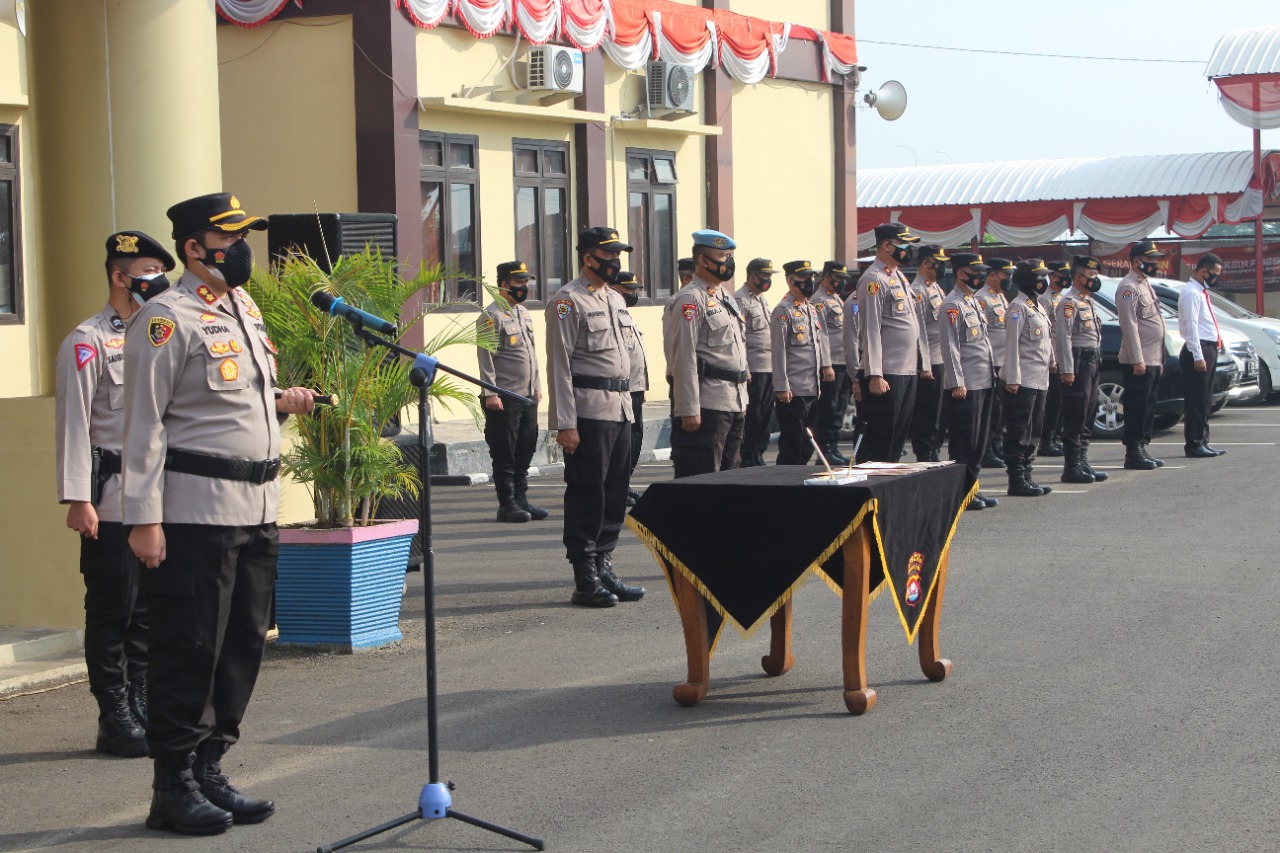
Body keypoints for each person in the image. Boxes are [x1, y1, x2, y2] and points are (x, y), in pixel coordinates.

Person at [123, 193, 317, 835]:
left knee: (241, 647)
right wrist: (143, 518)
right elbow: (143, 423)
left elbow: (237, 400)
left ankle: (209, 766)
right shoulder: (165, 318)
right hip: (194, 513)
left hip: (256, 508)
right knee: (190, 649)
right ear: (193, 248)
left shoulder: (243, 308)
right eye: (229, 238)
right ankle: (171, 785)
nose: (241, 249)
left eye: (242, 237)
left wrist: (281, 401)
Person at [55, 231, 174, 759]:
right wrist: (77, 497)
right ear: (119, 276)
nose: (158, 280)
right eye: (148, 271)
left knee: (148, 613)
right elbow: (73, 423)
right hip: (110, 499)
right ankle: (114, 716)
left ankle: (140, 702)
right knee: (112, 612)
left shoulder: (158, 335)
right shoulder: (88, 341)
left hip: (156, 496)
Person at [545, 226, 645, 608]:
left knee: (616, 491)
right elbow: (559, 365)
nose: (615, 262)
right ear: (588, 258)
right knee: (588, 493)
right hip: (588, 411)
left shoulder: (614, 299)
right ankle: (584, 576)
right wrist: (565, 423)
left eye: (618, 256)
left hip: (620, 408)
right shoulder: (567, 301)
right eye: (608, 256)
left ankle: (604, 566)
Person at [663, 229, 749, 478]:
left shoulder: (725, 296)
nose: (728, 262)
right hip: (707, 403)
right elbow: (683, 356)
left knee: (731, 477)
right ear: (703, 260)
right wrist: (689, 408)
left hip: (732, 400)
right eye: (722, 257)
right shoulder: (690, 299)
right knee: (703, 478)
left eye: (730, 256)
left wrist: (742, 398)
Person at [855, 222, 930, 463]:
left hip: (905, 370)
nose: (909, 249)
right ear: (887, 246)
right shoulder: (873, 279)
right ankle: (870, 486)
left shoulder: (897, 276)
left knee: (896, 440)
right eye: (904, 244)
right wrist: (875, 374)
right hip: (886, 372)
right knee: (880, 441)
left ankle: (888, 485)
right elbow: (871, 329)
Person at [477, 261, 545, 523]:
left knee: (526, 447)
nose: (524, 287)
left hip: (527, 396)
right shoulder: (491, 315)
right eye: (519, 282)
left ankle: (521, 499)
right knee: (505, 451)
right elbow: (486, 357)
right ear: (504, 284)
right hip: (504, 396)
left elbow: (531, 355)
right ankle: (507, 504)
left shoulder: (524, 313)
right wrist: (490, 393)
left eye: (526, 282)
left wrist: (537, 385)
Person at [939, 253, 998, 510]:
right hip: (966, 384)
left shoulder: (972, 302)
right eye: (975, 272)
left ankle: (972, 488)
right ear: (961, 274)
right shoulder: (951, 305)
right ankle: (960, 493)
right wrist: (956, 382)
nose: (980, 277)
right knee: (964, 441)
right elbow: (950, 347)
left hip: (983, 381)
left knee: (979, 442)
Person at [771, 261, 834, 464]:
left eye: (812, 277)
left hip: (811, 387)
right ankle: (786, 481)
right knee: (792, 445)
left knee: (807, 445)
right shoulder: (783, 310)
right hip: (793, 390)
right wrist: (781, 386)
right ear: (791, 281)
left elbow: (817, 344)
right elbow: (778, 350)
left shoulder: (810, 308)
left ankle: (800, 479)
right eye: (805, 278)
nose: (810, 281)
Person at [1053, 255, 1109, 485]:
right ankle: (1072, 465)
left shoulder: (1087, 300)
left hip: (1091, 361)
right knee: (1076, 412)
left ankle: (1082, 459)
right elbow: (1063, 337)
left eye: (1096, 274)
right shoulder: (1069, 302)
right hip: (1078, 362)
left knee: (1088, 410)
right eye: (1091, 275)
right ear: (1078, 277)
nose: (1095, 279)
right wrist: (1067, 369)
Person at [1001, 260, 1055, 498]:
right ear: (1027, 279)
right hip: (1022, 380)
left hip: (1039, 378)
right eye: (1039, 276)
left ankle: (1027, 473)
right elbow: (1011, 345)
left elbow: (1046, 340)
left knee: (1034, 430)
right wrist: (1012, 378)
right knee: (1019, 430)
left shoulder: (1037, 305)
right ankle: (1016, 479)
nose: (1043, 281)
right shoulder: (1017, 307)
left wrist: (1052, 361)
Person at [1115, 240, 1168, 470]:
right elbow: (1129, 326)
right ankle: (1133, 451)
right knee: (1136, 406)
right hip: (1138, 360)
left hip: (1152, 358)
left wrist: (1159, 359)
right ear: (1137, 261)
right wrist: (1138, 359)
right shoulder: (1128, 287)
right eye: (1150, 260)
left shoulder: (1145, 284)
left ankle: (1143, 446)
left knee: (1148, 405)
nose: (1154, 263)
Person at [1178, 253, 1229, 458]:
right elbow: (1191, 327)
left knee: (1205, 399)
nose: (1216, 278)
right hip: (1198, 349)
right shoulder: (1191, 293)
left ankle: (1202, 440)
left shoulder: (1201, 292)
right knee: (1196, 400)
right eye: (1214, 274)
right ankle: (1194, 443)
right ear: (1203, 271)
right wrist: (1198, 356)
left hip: (1208, 348)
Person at [609, 270, 649, 503]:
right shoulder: (612, 315)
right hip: (622, 390)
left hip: (635, 388)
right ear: (615, 289)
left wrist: (642, 386)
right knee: (623, 443)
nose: (634, 294)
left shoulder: (625, 314)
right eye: (629, 289)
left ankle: (623, 484)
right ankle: (616, 487)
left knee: (635, 440)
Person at [909, 246, 949, 462]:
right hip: (929, 361)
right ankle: (925, 452)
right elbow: (919, 331)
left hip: (941, 358)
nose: (942, 267)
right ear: (926, 263)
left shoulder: (935, 288)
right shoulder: (918, 291)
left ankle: (934, 448)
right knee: (927, 411)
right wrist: (924, 365)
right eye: (938, 263)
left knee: (940, 411)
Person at [812, 261, 853, 464]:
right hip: (831, 365)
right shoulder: (819, 300)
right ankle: (825, 451)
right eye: (838, 278)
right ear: (827, 277)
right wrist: (826, 364)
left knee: (839, 408)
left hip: (842, 361)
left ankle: (833, 447)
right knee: (828, 409)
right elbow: (821, 335)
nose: (842, 282)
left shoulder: (835, 298)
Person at [738, 258, 778, 466]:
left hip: (769, 366)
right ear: (752, 276)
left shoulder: (762, 299)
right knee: (753, 414)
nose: (768, 280)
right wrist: (744, 368)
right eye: (765, 276)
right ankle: (748, 455)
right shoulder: (741, 299)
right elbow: (739, 337)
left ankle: (759, 452)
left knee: (766, 414)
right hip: (753, 367)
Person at [977, 257, 1015, 469]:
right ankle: (987, 449)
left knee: (1000, 410)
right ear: (992, 275)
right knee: (991, 411)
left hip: (1003, 362)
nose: (1008, 279)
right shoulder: (983, 299)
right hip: (991, 363)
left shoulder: (1000, 297)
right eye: (1005, 275)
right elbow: (981, 334)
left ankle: (997, 443)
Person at [1036, 260, 1071, 458]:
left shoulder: (1062, 298)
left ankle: (1056, 437)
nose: (1066, 278)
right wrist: (1052, 359)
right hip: (1052, 358)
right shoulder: (1045, 299)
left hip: (1062, 357)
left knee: (1061, 401)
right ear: (1052, 276)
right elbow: (1046, 334)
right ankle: (1046, 440)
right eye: (1062, 274)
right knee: (1053, 402)